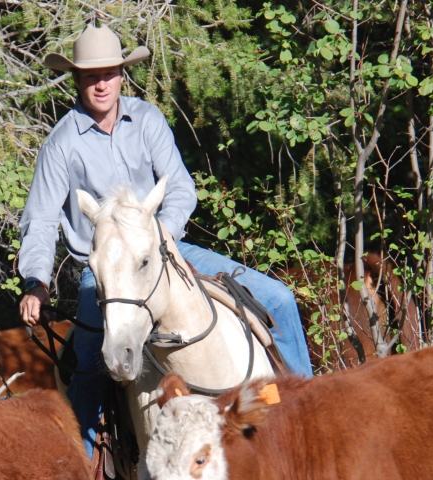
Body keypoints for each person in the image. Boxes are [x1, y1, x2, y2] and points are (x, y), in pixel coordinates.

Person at [17, 25, 313, 456]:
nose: (100, 84)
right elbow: (41, 219)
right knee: (87, 364)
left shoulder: (148, 120)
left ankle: (307, 412)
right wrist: (35, 282)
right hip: (107, 271)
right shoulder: (61, 143)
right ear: (76, 80)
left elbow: (180, 190)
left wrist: (162, 236)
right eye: (89, 76)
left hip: (168, 247)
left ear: (122, 74)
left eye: (109, 73)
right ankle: (84, 472)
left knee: (280, 300)